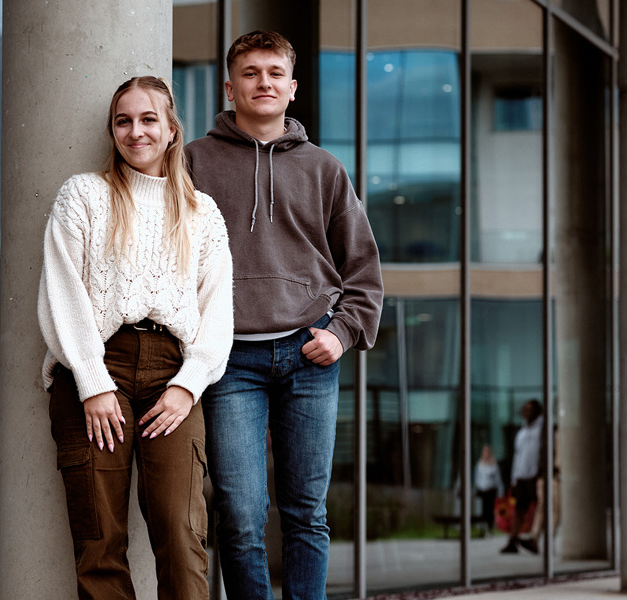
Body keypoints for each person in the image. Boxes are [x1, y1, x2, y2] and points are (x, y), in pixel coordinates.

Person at [184, 30, 383, 599]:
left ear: (292, 88)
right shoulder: (193, 162)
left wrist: (342, 334)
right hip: (227, 361)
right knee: (240, 515)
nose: (263, 83)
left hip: (308, 356)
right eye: (250, 73)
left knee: (306, 513)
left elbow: (363, 270)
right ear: (230, 88)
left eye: (275, 73)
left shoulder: (325, 169)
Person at [38, 75, 234, 600]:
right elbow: (62, 292)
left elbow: (218, 312)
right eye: (123, 121)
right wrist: (92, 382)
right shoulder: (84, 195)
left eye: (149, 119)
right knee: (99, 542)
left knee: (181, 533)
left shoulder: (202, 213)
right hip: (96, 368)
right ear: (112, 131)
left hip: (174, 375)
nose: (135, 131)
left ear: (172, 130)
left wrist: (189, 384)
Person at [502, 399, 544, 554]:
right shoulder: (522, 432)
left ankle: (535, 539)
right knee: (519, 509)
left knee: (542, 508)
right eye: (524, 409)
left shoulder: (543, 428)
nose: (526, 412)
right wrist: (514, 478)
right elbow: (518, 456)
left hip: (536, 476)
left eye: (529, 409)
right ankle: (513, 540)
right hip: (522, 477)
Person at [475, 444, 503, 536]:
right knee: (484, 510)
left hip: (491, 490)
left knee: (490, 510)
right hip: (483, 490)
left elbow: (497, 479)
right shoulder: (480, 464)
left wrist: (499, 489)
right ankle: (483, 527)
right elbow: (477, 477)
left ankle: (490, 527)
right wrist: (479, 487)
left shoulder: (493, 465)